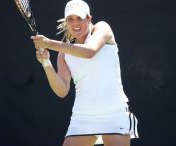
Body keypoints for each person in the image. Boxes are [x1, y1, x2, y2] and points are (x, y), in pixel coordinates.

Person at [31, 0, 139, 145]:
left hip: (114, 114)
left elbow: (89, 51)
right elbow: (62, 90)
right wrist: (46, 63)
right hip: (82, 117)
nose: (75, 23)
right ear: (66, 22)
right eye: (70, 19)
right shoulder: (63, 54)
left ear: (89, 18)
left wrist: (49, 43)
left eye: (80, 18)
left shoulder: (102, 28)